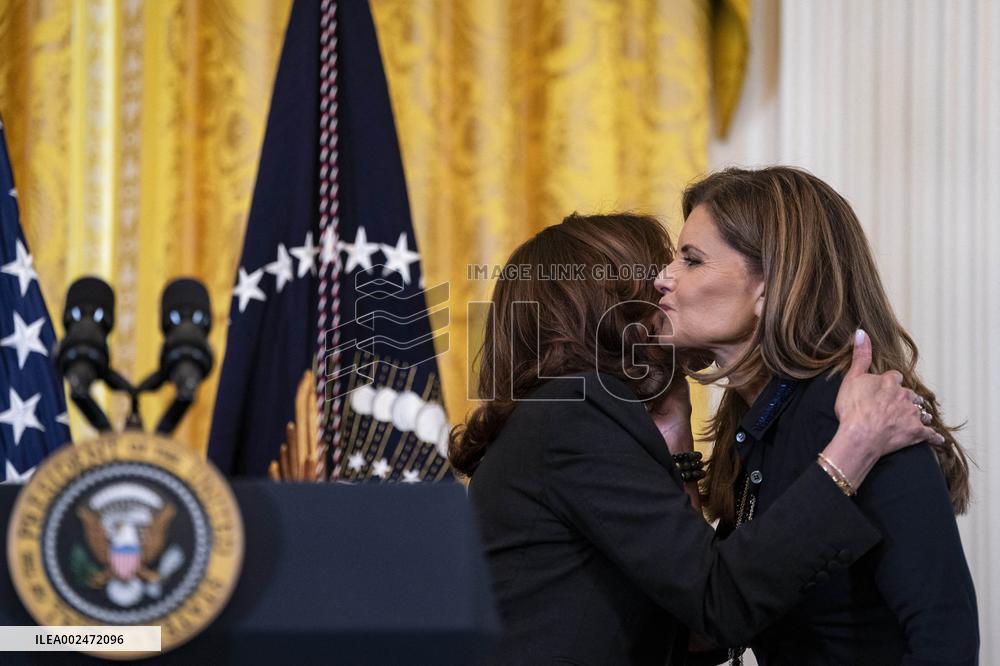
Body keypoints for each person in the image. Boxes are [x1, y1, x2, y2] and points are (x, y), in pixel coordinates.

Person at [450, 212, 942, 665]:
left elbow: (695, 628)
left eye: (687, 262)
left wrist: (676, 429)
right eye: (660, 271)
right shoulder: (577, 411)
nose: (669, 283)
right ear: (615, 307)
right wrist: (857, 443)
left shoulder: (559, 415)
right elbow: (718, 604)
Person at [654, 166, 978, 665]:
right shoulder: (760, 418)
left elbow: (945, 636)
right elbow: (715, 615)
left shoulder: (853, 411)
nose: (664, 277)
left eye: (691, 260)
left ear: (768, 287)